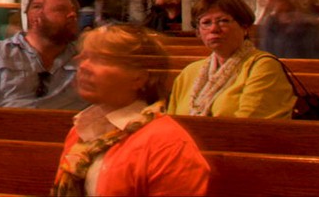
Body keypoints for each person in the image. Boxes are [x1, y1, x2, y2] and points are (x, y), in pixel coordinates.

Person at [53, 24, 210, 196]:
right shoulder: (83, 129)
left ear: (139, 77)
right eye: (84, 58)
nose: (83, 67)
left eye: (101, 59)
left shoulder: (168, 145)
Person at [167, 0, 295, 119]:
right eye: (206, 23)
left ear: (245, 27)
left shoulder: (262, 66)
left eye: (223, 21)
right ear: (198, 32)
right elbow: (171, 121)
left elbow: (249, 124)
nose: (214, 29)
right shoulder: (189, 72)